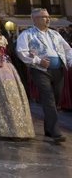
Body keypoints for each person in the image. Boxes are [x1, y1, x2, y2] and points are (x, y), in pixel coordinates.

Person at [16, 8, 72, 143]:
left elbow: (67, 49)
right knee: (48, 99)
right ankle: (55, 132)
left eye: (48, 16)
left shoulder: (55, 34)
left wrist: (70, 61)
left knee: (56, 99)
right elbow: (21, 51)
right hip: (40, 71)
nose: (48, 19)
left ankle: (48, 128)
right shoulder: (27, 34)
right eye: (44, 17)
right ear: (34, 19)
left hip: (58, 70)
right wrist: (38, 61)